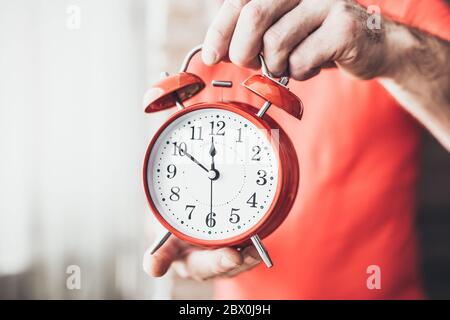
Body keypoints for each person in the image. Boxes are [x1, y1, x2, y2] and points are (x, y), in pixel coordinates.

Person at [143, 0, 450, 299]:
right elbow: (185, 178)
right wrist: (179, 224)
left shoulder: (396, 8)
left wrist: (389, 48)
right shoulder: (205, 61)